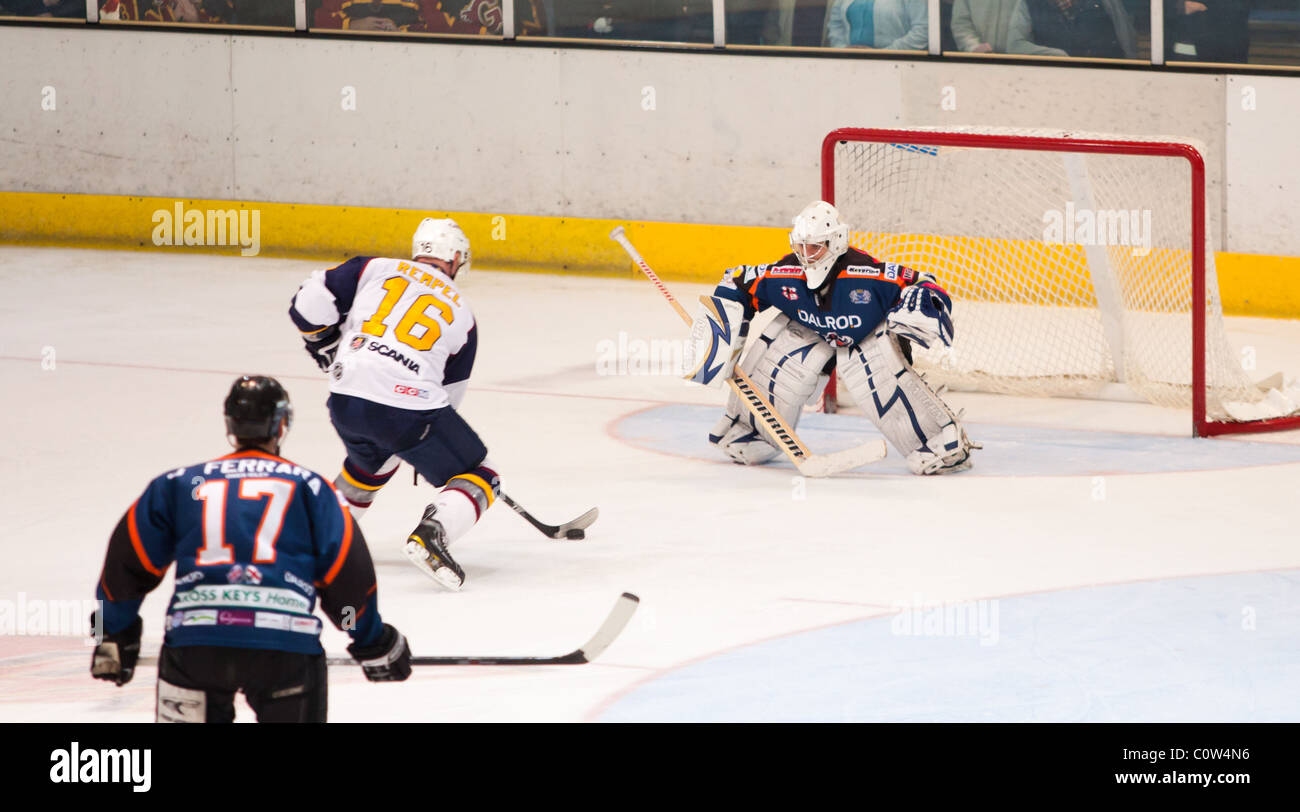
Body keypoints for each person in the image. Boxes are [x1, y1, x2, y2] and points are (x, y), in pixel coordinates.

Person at [90, 375, 411, 723]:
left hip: (195, 646)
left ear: (230, 423)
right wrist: (369, 639)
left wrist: (112, 633)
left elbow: (125, 568)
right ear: (282, 424)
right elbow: (346, 579)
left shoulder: (178, 484)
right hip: (284, 650)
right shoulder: (313, 489)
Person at [685, 201, 974, 475]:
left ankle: (939, 441)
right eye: (800, 246)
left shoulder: (868, 275)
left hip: (867, 336)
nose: (806, 254)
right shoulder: (785, 274)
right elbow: (738, 280)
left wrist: (922, 295)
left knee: (879, 377)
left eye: (815, 247)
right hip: (813, 332)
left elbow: (923, 281)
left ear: (835, 242)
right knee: (778, 362)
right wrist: (719, 327)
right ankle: (751, 432)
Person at [289, 218, 497, 591]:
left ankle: (314, 542)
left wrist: (323, 345)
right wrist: (421, 448)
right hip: (407, 411)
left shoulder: (375, 268)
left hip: (346, 398)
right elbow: (449, 399)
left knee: (368, 467)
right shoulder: (463, 313)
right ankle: (433, 535)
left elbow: (308, 302)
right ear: (455, 258)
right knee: (483, 473)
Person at [1007, 0, 1138, 59]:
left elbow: (1126, 37)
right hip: (1057, 79)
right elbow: (1015, 46)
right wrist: (1056, 55)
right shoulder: (1027, 3)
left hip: (1106, 77)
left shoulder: (1106, 2)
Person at [825, 0, 929, 50]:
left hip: (899, 65)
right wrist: (844, 49)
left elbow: (923, 30)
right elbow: (835, 27)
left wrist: (884, 53)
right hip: (850, 64)